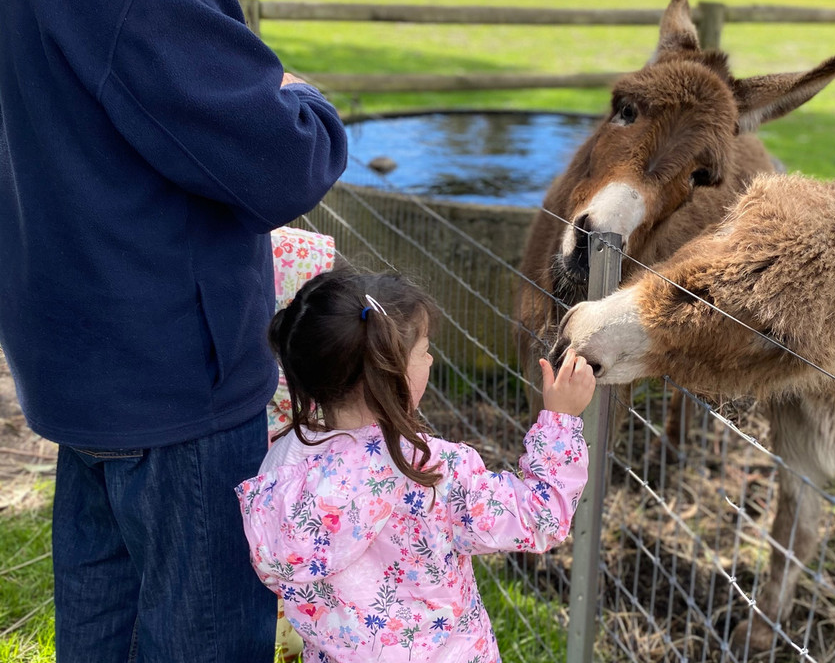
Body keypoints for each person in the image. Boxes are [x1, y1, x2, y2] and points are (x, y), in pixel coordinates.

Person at [0, 0, 349, 658]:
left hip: (78, 376)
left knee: (104, 638)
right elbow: (287, 160)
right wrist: (305, 97)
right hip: (175, 400)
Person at [235, 268, 596, 662]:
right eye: (423, 350)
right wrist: (561, 419)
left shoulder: (281, 466)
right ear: (391, 375)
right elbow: (541, 517)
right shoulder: (433, 472)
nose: (431, 357)